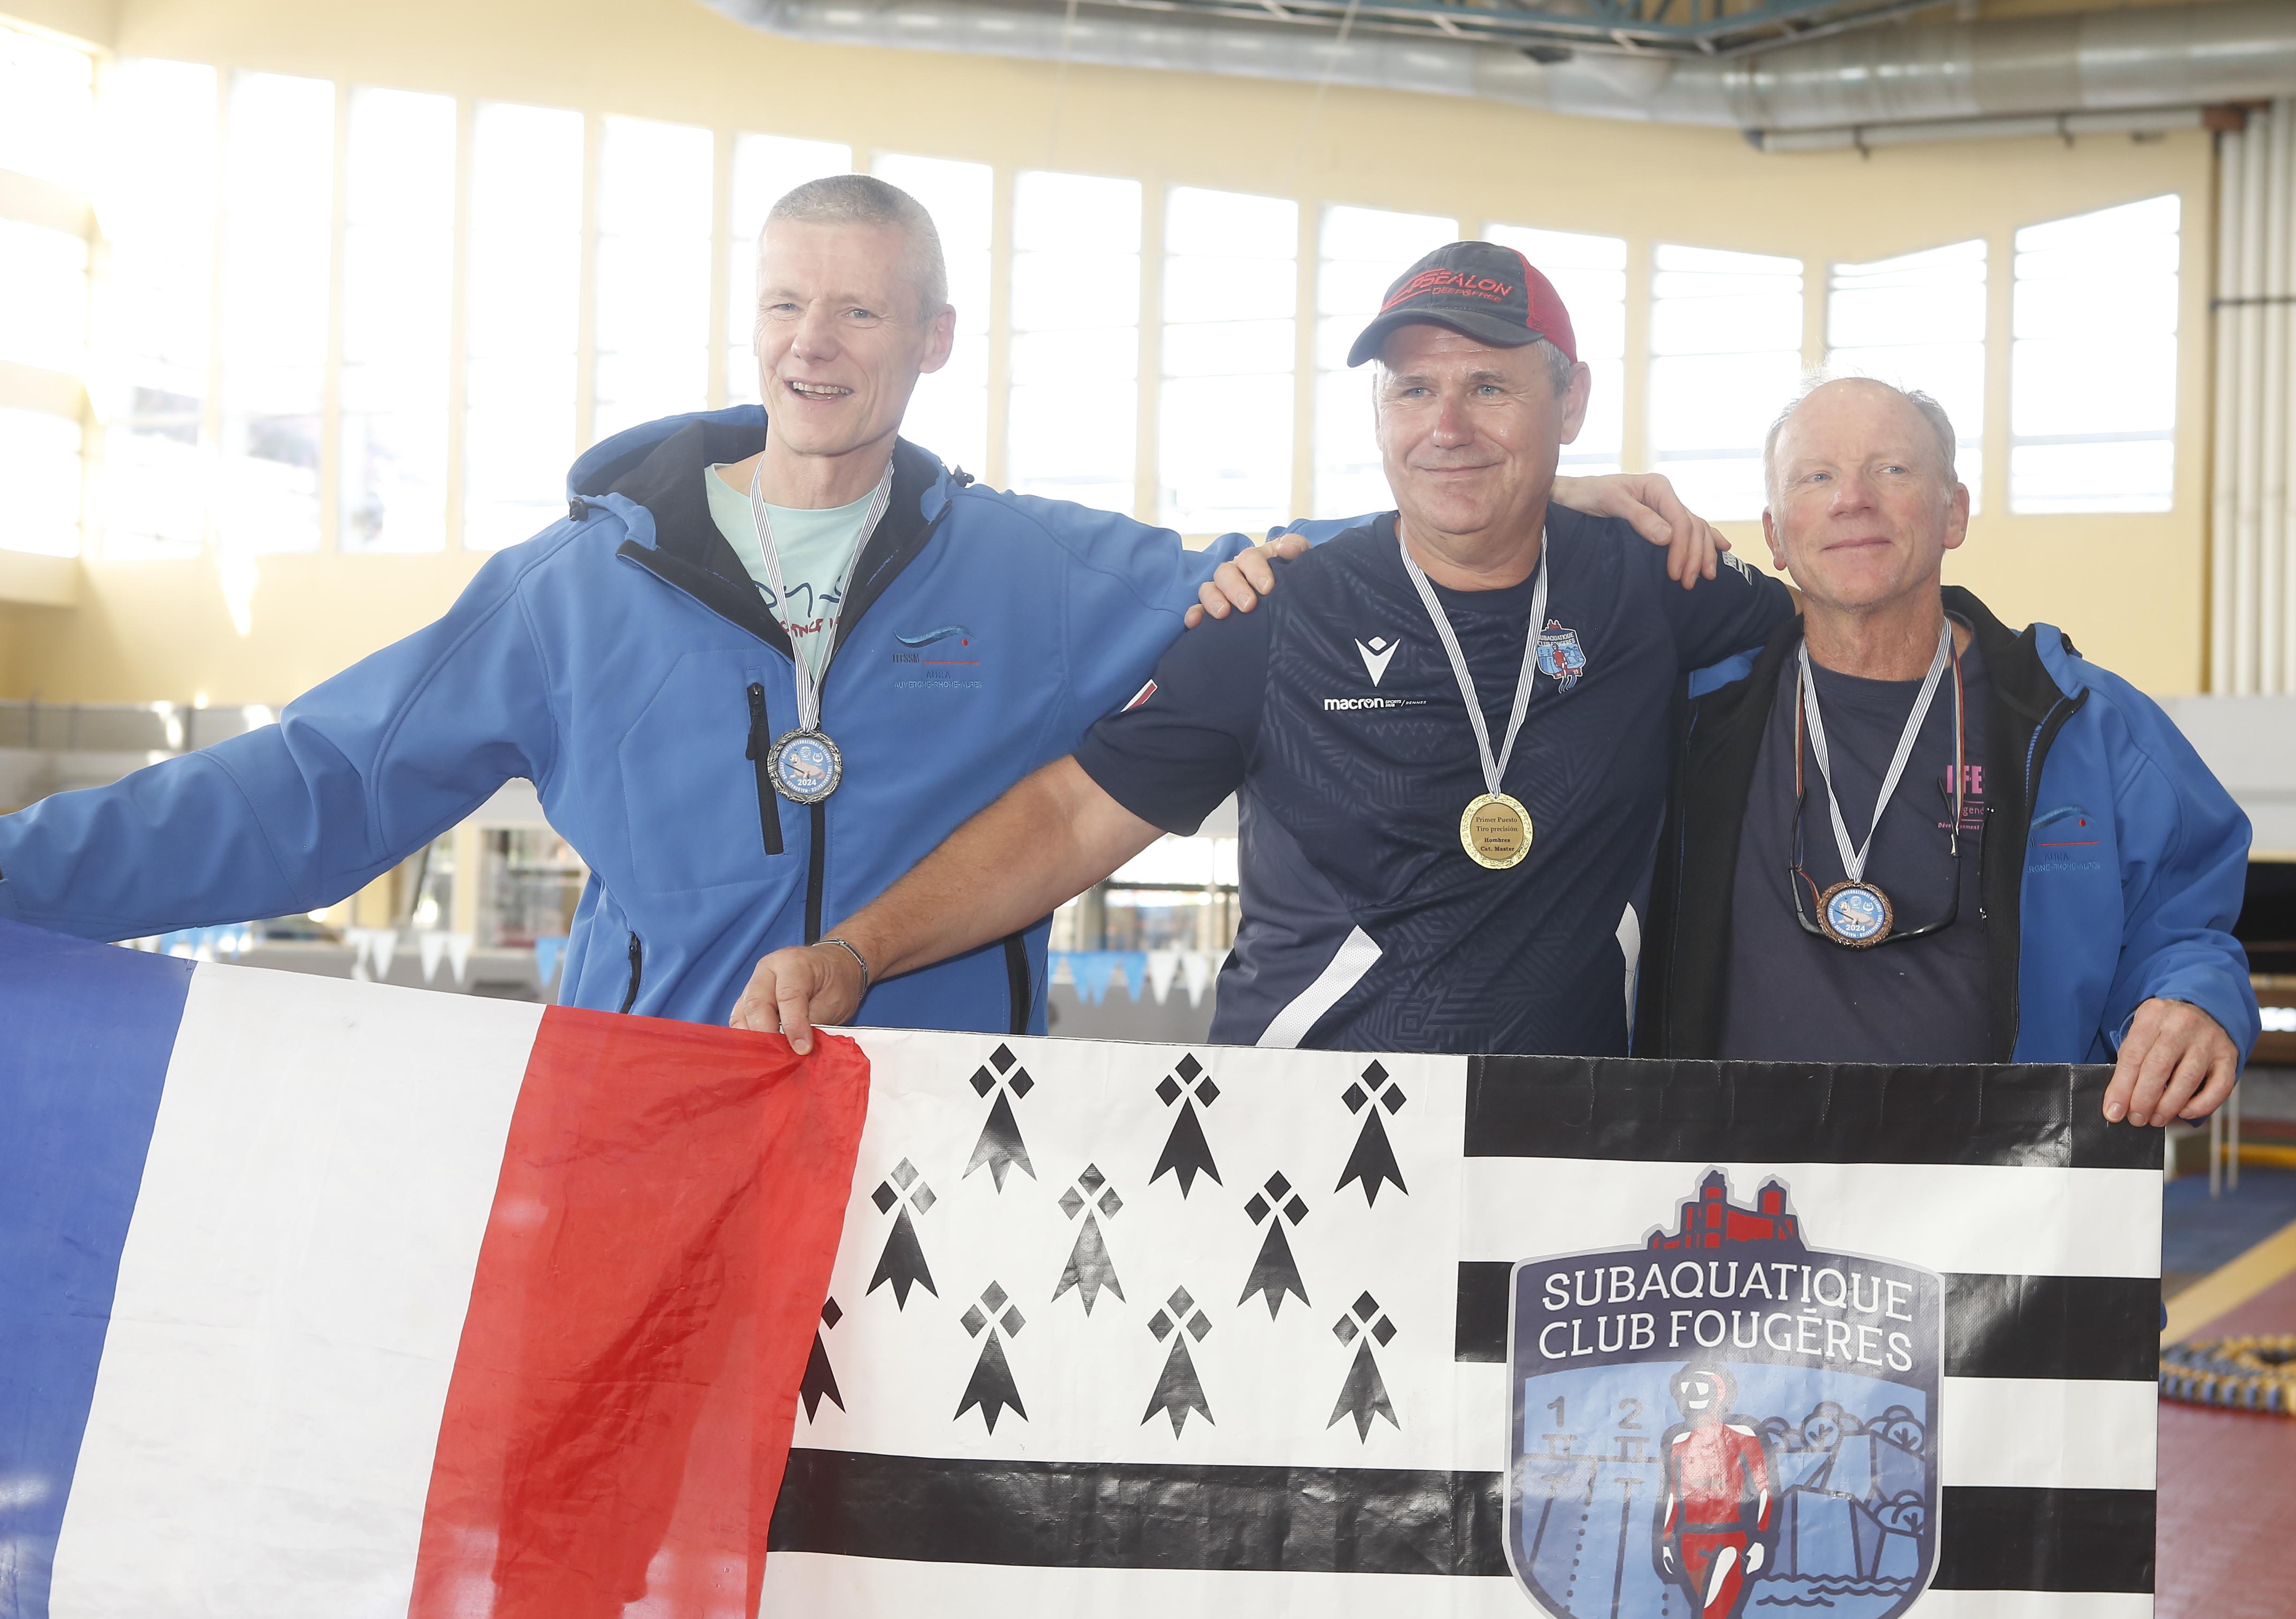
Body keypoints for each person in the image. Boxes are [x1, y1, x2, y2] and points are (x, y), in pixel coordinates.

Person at [0, 178, 1715, 1032]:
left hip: (929, 1130)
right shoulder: (576, 591)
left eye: (862, 314)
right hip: (645, 1097)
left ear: (932, 341)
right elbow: (318, 785)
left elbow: (1266, 575)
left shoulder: (1034, 573)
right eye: (786, 307)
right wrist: (17, 875)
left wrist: (1509, 485)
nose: (816, 345)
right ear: (754, 322)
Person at [733, 241, 1798, 1055]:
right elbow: (1072, 815)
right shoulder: (1283, 608)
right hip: (1306, 1149)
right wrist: (856, 952)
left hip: (1561, 1154)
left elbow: (1837, 633)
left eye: (1488, 387)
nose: (1447, 426)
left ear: (1569, 403)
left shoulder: (1647, 584)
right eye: (1413, 389)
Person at [1634, 375, 2255, 1127]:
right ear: (1774, 535)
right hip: (1738, 1174)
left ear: (1953, 513)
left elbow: (2186, 927)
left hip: (2000, 1179)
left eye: (1892, 469)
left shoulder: (2087, 724)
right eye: (1816, 477)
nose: (1852, 499)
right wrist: (1564, 496)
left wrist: (2196, 1000)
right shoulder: (1691, 715)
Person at [1656, 1362, 1775, 1619]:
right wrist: (1666, 1539)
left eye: (1702, 1387)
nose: (1692, 1394)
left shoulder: (1743, 1438)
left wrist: (1761, 1539)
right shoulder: (1679, 1442)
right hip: (1689, 1543)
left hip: (1731, 1541)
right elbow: (1673, 1494)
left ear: (1720, 1392)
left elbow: (1764, 1490)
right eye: (1686, 1388)